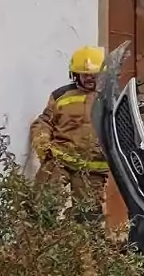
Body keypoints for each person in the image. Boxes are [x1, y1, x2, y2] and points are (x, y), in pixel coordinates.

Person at [30, 46, 118, 227]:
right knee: (43, 206)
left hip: (93, 168)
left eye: (94, 75)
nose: (89, 78)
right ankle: (38, 247)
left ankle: (86, 253)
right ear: (74, 74)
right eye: (84, 74)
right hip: (59, 160)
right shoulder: (60, 96)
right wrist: (42, 144)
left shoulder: (113, 98)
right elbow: (43, 122)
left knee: (88, 219)